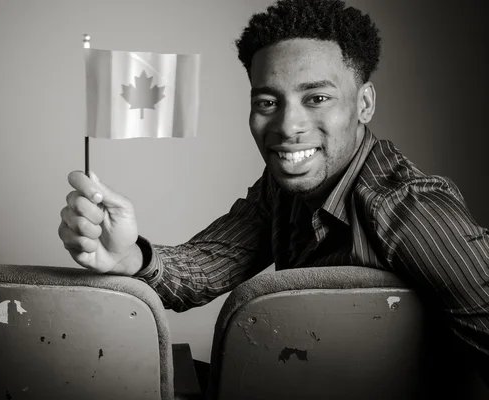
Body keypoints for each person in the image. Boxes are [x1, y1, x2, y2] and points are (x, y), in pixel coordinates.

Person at [59, 0, 488, 391]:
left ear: (364, 104)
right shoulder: (278, 188)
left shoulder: (411, 209)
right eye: (267, 102)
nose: (288, 126)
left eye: (316, 98)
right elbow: (206, 268)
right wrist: (127, 257)